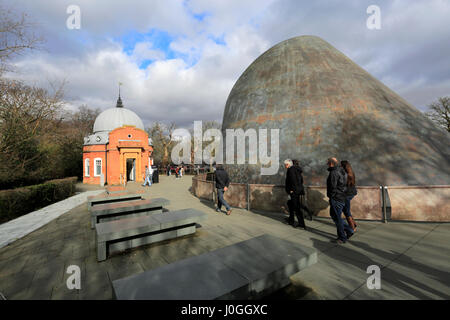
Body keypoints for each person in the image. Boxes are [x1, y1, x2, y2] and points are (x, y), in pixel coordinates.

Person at [326, 157, 353, 243]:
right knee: (336, 216)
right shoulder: (342, 170)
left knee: (337, 218)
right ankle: (347, 231)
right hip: (342, 197)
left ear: (331, 163)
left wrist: (331, 196)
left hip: (336, 198)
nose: (327, 164)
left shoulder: (333, 172)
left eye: (327, 163)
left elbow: (333, 187)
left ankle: (342, 237)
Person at [284, 159, 306, 230]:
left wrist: (292, 190)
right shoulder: (296, 170)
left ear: (290, 164)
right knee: (290, 204)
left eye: (286, 164)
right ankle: (291, 220)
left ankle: (301, 224)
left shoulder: (291, 170)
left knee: (296, 208)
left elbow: (293, 180)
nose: (285, 166)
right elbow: (300, 180)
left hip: (294, 192)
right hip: (296, 191)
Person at [341, 160, 358, 231]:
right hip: (352, 193)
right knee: (346, 210)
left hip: (347, 194)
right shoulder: (351, 172)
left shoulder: (345, 174)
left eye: (341, 165)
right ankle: (353, 223)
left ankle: (352, 228)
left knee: (346, 211)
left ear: (343, 166)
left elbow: (344, 186)